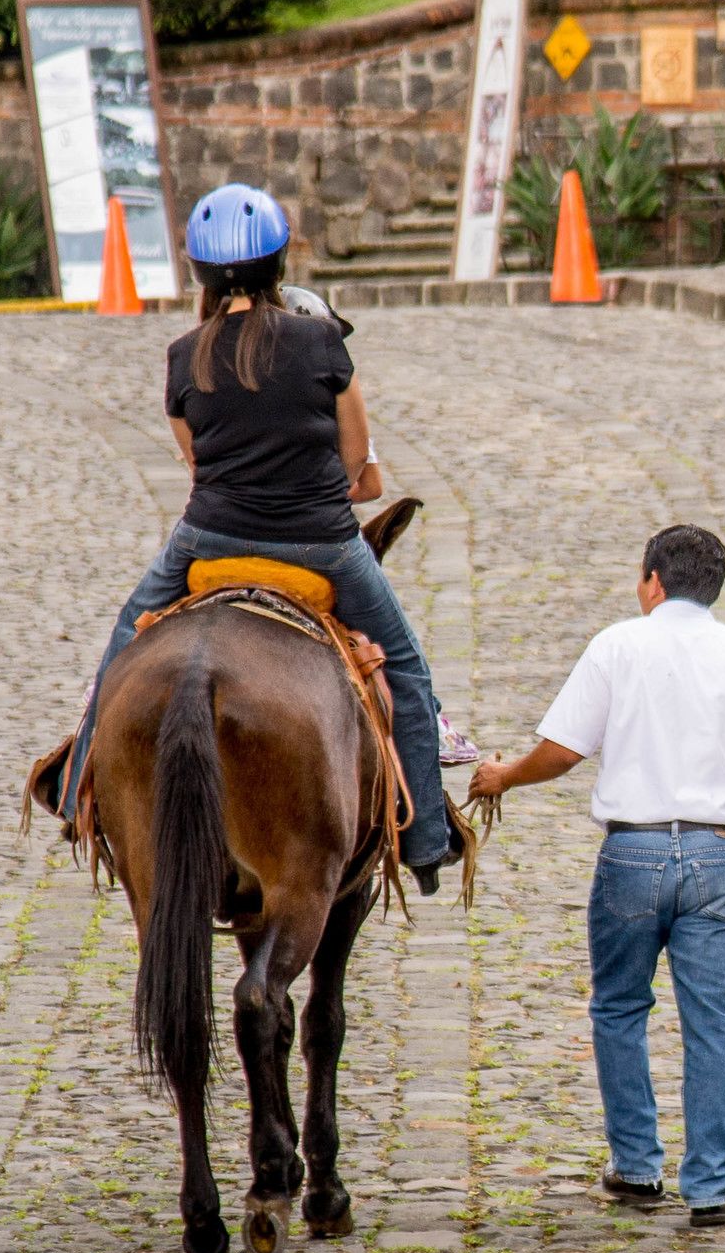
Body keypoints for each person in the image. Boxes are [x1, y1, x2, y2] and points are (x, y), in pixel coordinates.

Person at [66, 183, 462, 891]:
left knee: (125, 640)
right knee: (406, 667)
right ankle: (426, 834)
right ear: (281, 265)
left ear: (201, 274)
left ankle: (74, 794)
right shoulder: (323, 342)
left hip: (208, 540)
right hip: (323, 543)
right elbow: (355, 462)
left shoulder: (184, 355)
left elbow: (196, 459)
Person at [470, 525, 725, 1231]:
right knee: (712, 1025)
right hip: (718, 857)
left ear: (653, 580)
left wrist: (504, 773)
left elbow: (563, 751)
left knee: (620, 1009)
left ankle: (636, 1165)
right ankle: (711, 1186)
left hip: (633, 854)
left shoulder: (618, 645)